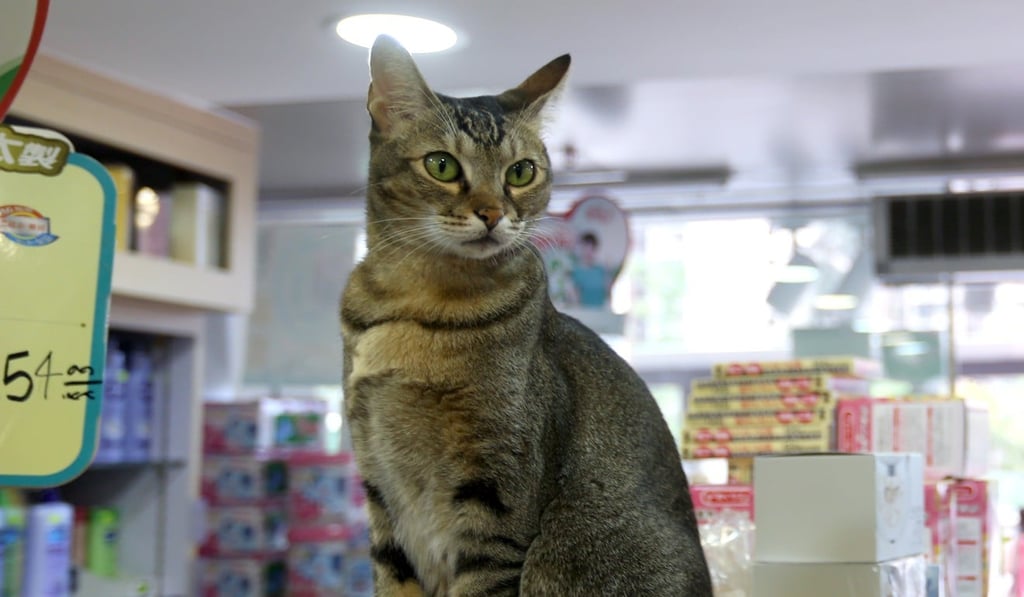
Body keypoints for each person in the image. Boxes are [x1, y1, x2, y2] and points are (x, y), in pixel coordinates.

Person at [571, 231, 612, 308]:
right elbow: (574, 298)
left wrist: (608, 273)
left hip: (600, 311)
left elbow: (608, 293)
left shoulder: (602, 270)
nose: (588, 251)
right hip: (584, 313)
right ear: (581, 248)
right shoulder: (577, 271)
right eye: (586, 247)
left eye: (592, 248)